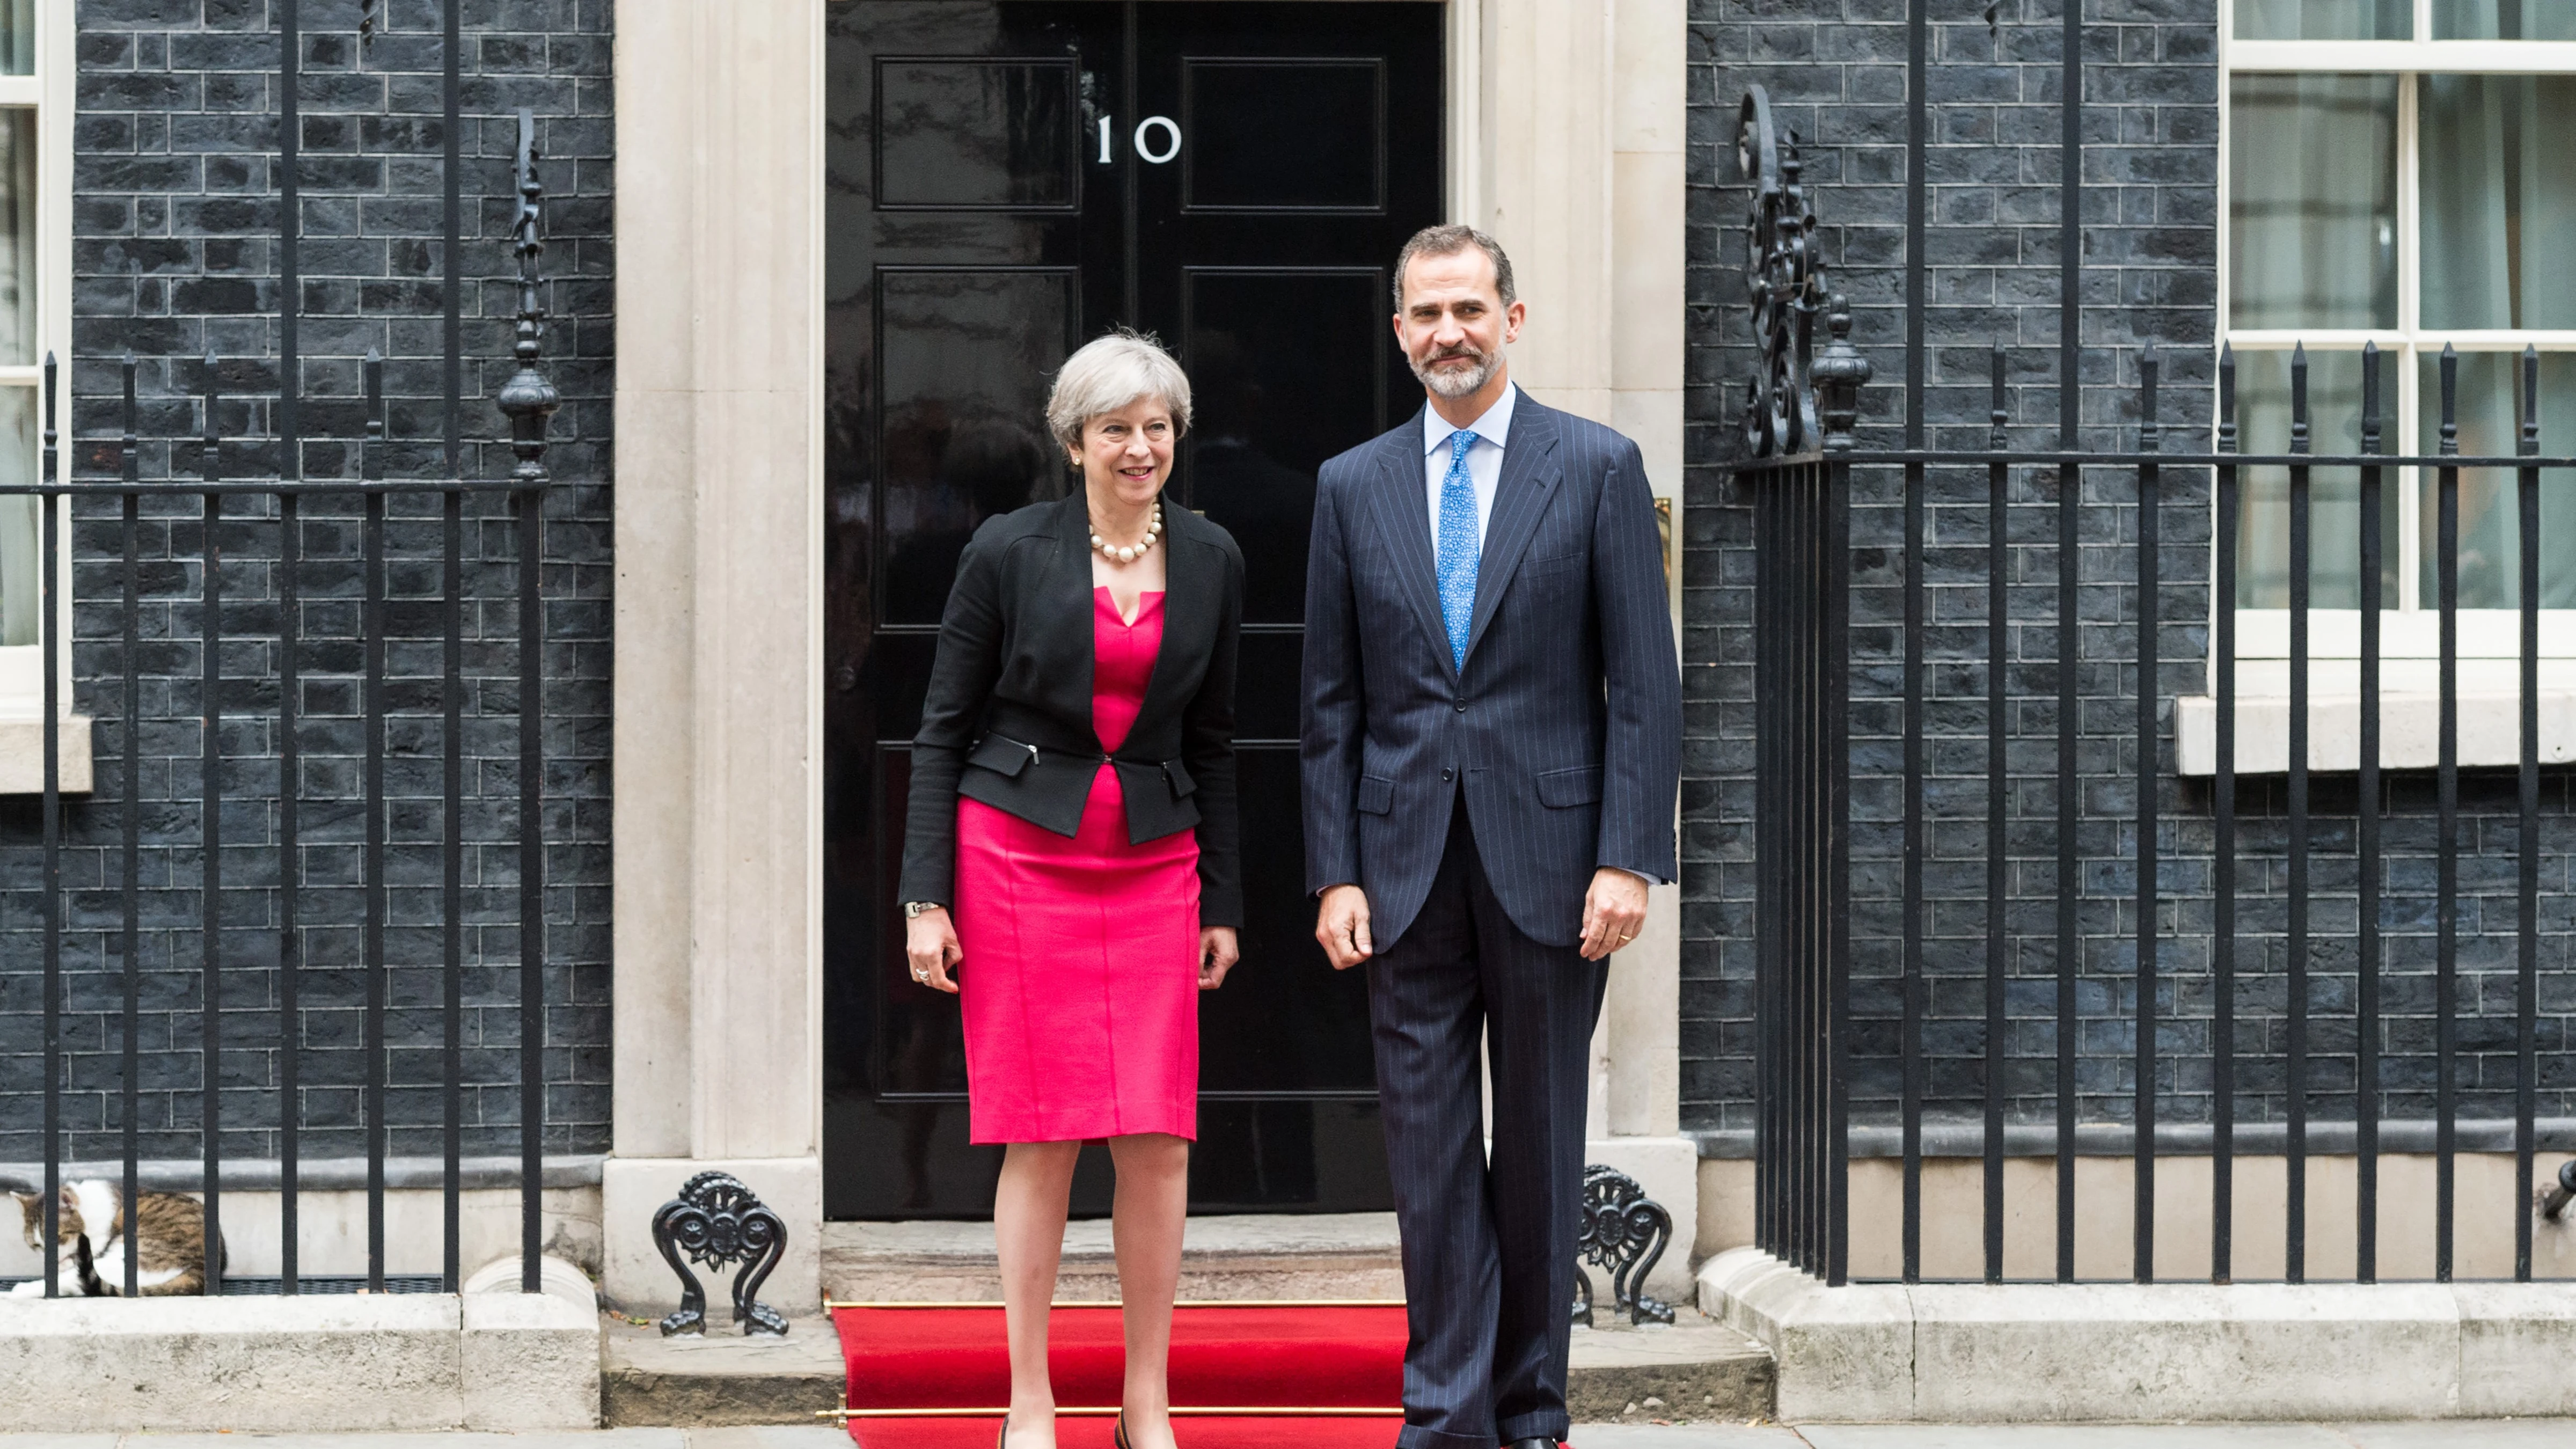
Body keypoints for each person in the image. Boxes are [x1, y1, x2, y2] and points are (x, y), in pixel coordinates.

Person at [1301, 225, 1682, 1449]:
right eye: (1426, 314)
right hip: (1403, 866)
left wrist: (1629, 853)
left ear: (1514, 319)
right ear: (1399, 330)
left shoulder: (1598, 467)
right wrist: (1335, 872)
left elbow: (1643, 683)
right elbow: (1330, 703)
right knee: (1425, 1152)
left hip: (1557, 865)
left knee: (1538, 1147)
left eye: (1470, 309)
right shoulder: (1351, 484)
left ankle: (1530, 1406)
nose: (1448, 333)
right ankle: (1446, 1410)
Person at [899, 330, 1245, 1449]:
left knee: (1156, 1136)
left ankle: (1145, 1397)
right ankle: (1031, 1397)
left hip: (1155, 865)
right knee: (1041, 1133)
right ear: (1074, 440)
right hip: (1016, 859)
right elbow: (940, 730)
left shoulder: (1213, 556)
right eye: (1116, 429)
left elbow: (1221, 741)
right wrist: (924, 897)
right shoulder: (1008, 548)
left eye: (1156, 427)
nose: (1140, 447)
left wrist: (1226, 902)